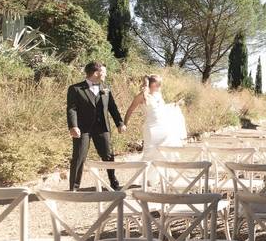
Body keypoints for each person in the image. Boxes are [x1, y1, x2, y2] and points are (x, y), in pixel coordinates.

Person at [67, 61, 124, 191]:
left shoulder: (106, 88)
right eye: (104, 72)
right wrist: (73, 126)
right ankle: (74, 188)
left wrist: (119, 123)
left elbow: (112, 108)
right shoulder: (75, 89)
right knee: (79, 157)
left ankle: (113, 182)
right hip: (83, 128)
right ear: (96, 73)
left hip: (102, 127)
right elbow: (72, 109)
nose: (106, 74)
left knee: (108, 155)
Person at [123, 74, 187, 163]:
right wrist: (124, 124)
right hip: (151, 129)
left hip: (163, 127)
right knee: (150, 154)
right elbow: (130, 110)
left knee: (165, 152)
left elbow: (163, 109)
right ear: (152, 84)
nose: (160, 86)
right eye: (158, 84)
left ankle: (163, 175)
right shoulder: (142, 96)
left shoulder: (158, 95)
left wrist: (175, 105)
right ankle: (146, 175)